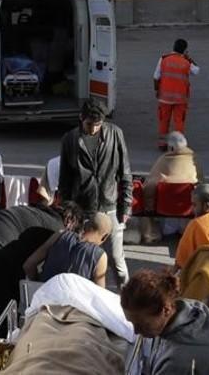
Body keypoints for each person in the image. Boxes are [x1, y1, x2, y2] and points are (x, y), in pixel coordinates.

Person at [58, 99, 132, 286]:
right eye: (89, 124)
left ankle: (129, 304)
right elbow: (64, 179)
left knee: (117, 261)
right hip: (82, 211)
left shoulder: (115, 134)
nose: (93, 129)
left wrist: (126, 207)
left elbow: (125, 173)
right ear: (81, 119)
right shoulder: (70, 139)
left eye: (98, 125)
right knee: (83, 260)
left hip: (110, 208)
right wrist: (66, 212)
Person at [0, 202, 82, 322]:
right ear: (70, 221)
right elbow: (30, 266)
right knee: (6, 318)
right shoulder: (56, 231)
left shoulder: (40, 214)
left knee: (6, 308)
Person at [120, 267, 209, 375]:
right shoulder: (180, 313)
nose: (135, 331)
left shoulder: (179, 362)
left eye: (142, 324)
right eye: (132, 323)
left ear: (166, 310)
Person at [23, 211, 110, 286]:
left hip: (43, 302)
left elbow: (28, 265)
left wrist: (38, 285)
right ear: (105, 237)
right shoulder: (100, 256)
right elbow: (99, 295)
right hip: (73, 305)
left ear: (86, 224)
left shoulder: (60, 234)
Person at [153, 38, 199, 149]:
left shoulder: (164, 59)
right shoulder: (186, 62)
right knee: (179, 122)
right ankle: (177, 145)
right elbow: (197, 70)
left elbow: (155, 77)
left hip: (164, 97)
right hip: (180, 98)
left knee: (164, 120)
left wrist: (157, 90)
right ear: (184, 50)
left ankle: (162, 144)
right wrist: (189, 58)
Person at [144, 131, 201, 213]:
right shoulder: (194, 160)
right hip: (188, 210)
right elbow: (201, 183)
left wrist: (149, 208)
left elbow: (150, 185)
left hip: (164, 209)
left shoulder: (163, 160)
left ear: (171, 147)